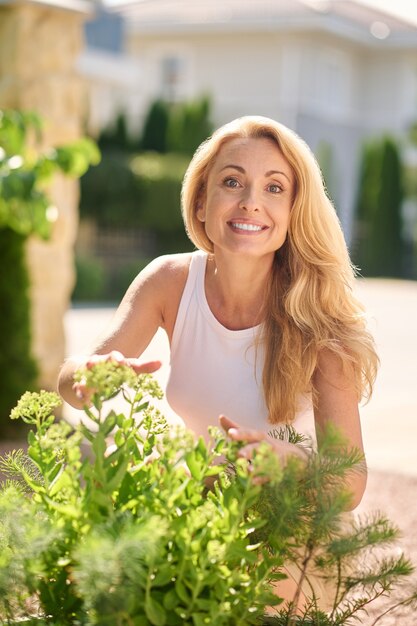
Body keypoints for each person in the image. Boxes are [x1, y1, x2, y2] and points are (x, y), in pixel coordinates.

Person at [58, 115, 378, 610]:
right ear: (202, 201)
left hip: (298, 527)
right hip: (205, 505)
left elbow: (349, 483)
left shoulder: (320, 325)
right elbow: (75, 377)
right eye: (233, 181)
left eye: (275, 188)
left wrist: (284, 464)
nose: (251, 200)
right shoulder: (169, 281)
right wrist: (89, 378)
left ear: (294, 212)